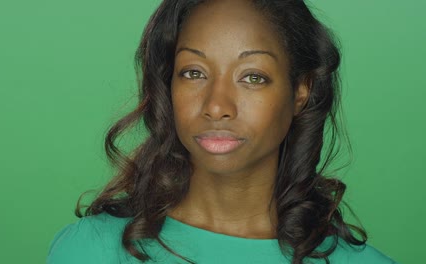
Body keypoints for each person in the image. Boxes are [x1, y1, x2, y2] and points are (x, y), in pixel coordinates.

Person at [47, 0, 398, 263]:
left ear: (300, 92)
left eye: (252, 77)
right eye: (194, 72)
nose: (217, 106)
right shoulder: (91, 250)